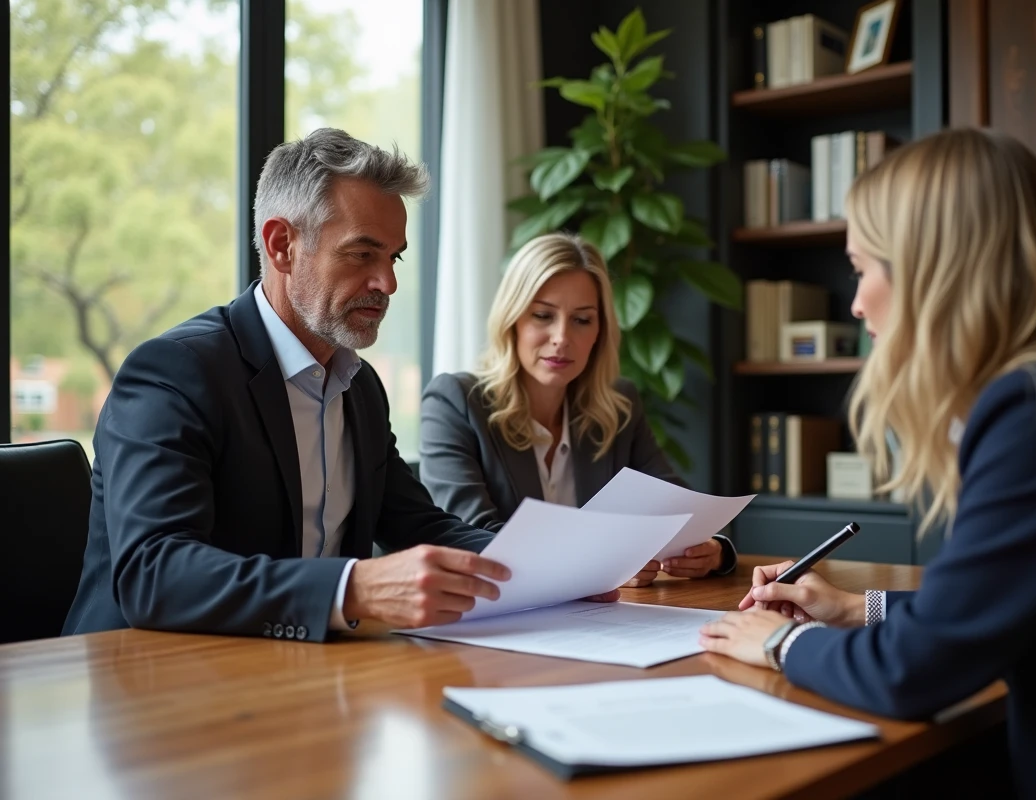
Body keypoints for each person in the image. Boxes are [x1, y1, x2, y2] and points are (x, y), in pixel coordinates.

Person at [698, 129, 1036, 799]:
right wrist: (857, 608)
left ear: (932, 268)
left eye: (861, 267)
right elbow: (1008, 602)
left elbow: (916, 672)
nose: (854, 302)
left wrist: (777, 644)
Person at [62, 128, 541, 643]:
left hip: (294, 673)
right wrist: (352, 588)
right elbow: (154, 574)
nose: (388, 283)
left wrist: (555, 566)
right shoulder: (173, 373)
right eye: (363, 254)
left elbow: (419, 525)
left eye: (394, 257)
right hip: (141, 686)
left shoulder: (359, 386)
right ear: (281, 245)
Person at [419, 232, 736, 586]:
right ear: (512, 320)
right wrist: (599, 564)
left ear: (600, 331)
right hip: (499, 616)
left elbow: (681, 512)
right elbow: (471, 536)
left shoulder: (618, 406)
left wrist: (712, 550)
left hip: (604, 622)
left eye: (582, 320)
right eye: (542, 315)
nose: (561, 338)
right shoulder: (454, 402)